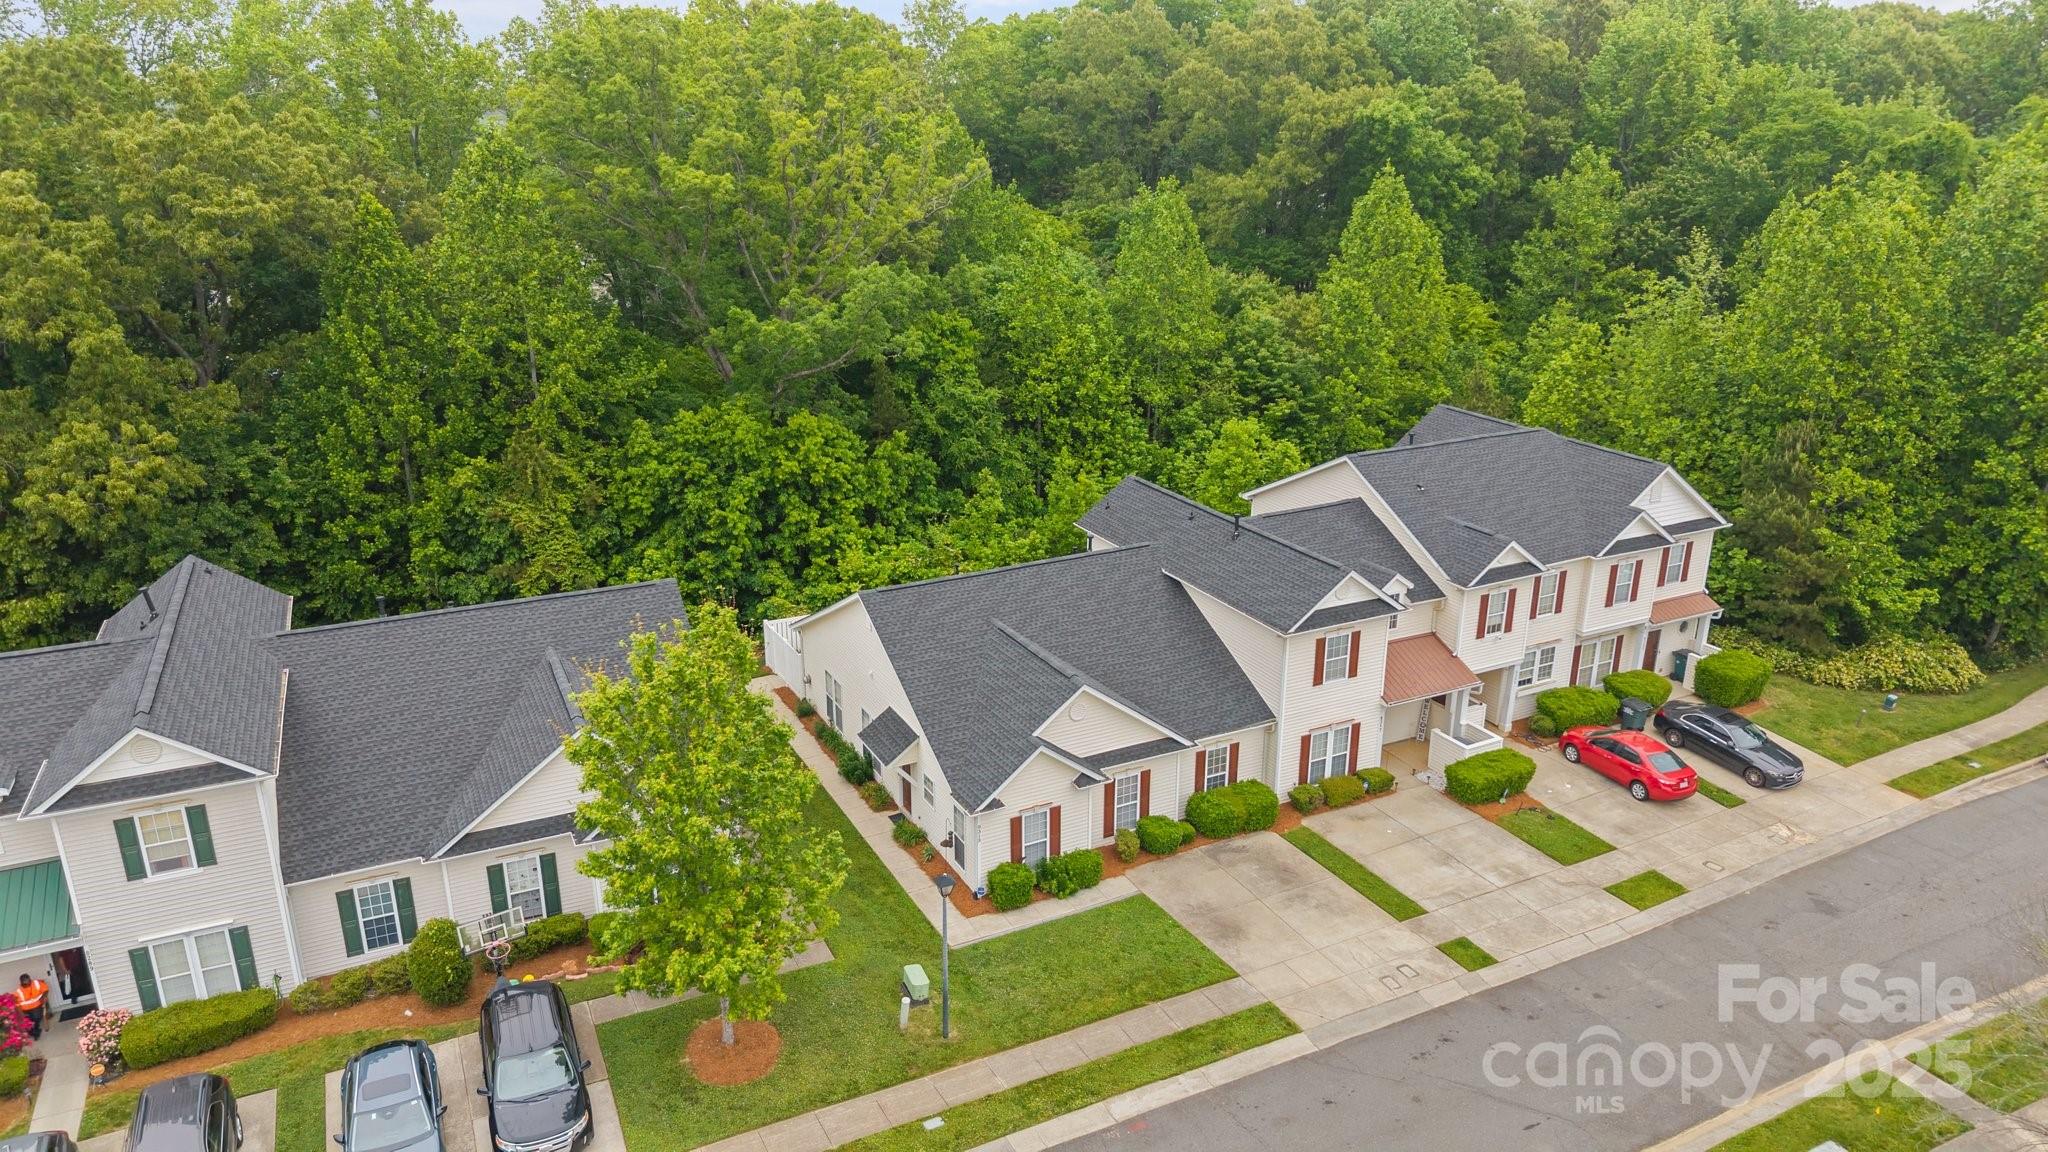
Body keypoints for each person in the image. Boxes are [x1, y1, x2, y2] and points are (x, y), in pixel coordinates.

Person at [16, 973, 48, 1040]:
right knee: (26, 1021)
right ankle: (35, 1032)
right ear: (21, 982)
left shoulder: (36, 983)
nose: (27, 983)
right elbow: (17, 1004)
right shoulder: (19, 991)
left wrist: (44, 996)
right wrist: (21, 1013)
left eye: (28, 981)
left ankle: (35, 1031)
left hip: (37, 1005)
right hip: (25, 1009)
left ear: (30, 979)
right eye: (25, 982)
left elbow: (45, 989)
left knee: (36, 1017)